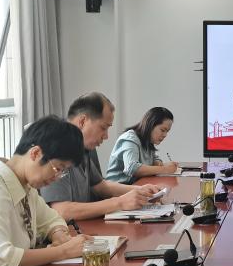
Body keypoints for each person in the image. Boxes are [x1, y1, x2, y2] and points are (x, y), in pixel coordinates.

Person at [0, 116, 91, 266]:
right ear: (36, 153)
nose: (57, 177)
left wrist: (58, 234)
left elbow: (51, 219)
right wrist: (64, 251)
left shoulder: (25, 186)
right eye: (58, 168)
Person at [41, 92, 162, 220]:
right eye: (103, 128)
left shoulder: (85, 146)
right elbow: (62, 211)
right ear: (82, 121)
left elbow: (100, 187)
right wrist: (119, 202)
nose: (106, 136)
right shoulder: (54, 146)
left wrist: (139, 190)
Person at [106, 106, 178, 183]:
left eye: (167, 131)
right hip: (118, 187)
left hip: (136, 185)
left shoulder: (148, 141)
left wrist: (157, 162)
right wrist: (165, 169)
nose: (165, 135)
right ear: (150, 125)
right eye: (163, 130)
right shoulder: (130, 138)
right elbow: (132, 168)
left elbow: (154, 158)